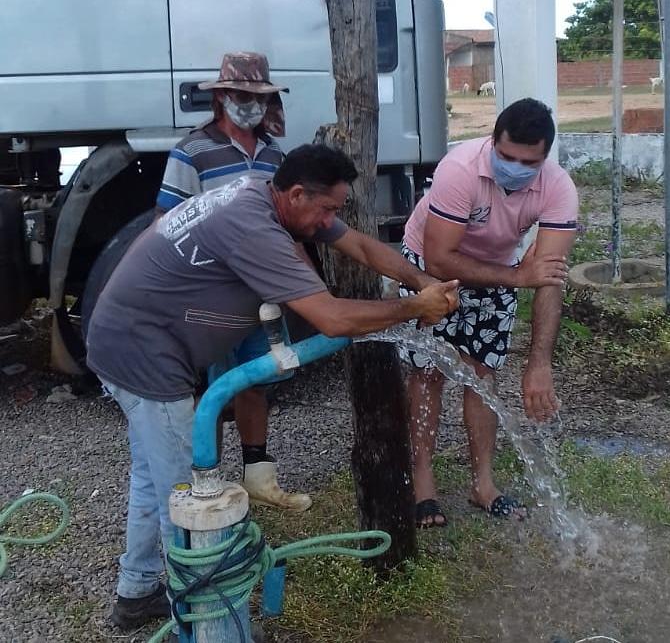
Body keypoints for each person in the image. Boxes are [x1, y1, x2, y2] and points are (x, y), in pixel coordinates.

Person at [86, 144, 459, 630]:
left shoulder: (267, 198)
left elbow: (363, 248)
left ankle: (136, 592)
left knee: (151, 479)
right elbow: (329, 317)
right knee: (185, 501)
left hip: (124, 339)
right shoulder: (253, 227)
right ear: (298, 193)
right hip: (143, 357)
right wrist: (413, 309)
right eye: (326, 209)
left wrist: (426, 283)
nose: (330, 220)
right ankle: (205, 621)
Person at [399, 98, 577, 529]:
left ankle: (483, 483)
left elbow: (547, 278)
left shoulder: (558, 189)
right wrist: (517, 277)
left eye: (527, 161)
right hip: (427, 269)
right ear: (492, 142)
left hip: (499, 270)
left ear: (545, 157)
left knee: (482, 374)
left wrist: (539, 364)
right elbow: (440, 258)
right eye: (506, 156)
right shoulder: (460, 169)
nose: (515, 167)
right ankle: (423, 481)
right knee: (428, 372)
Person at [157, 51, 307, 513]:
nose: (250, 105)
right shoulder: (192, 151)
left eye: (258, 97)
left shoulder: (273, 154)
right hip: (210, 289)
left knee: (256, 376)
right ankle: (207, 482)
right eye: (241, 96)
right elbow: (168, 220)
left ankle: (259, 473)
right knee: (209, 383)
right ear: (221, 98)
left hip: (259, 290)